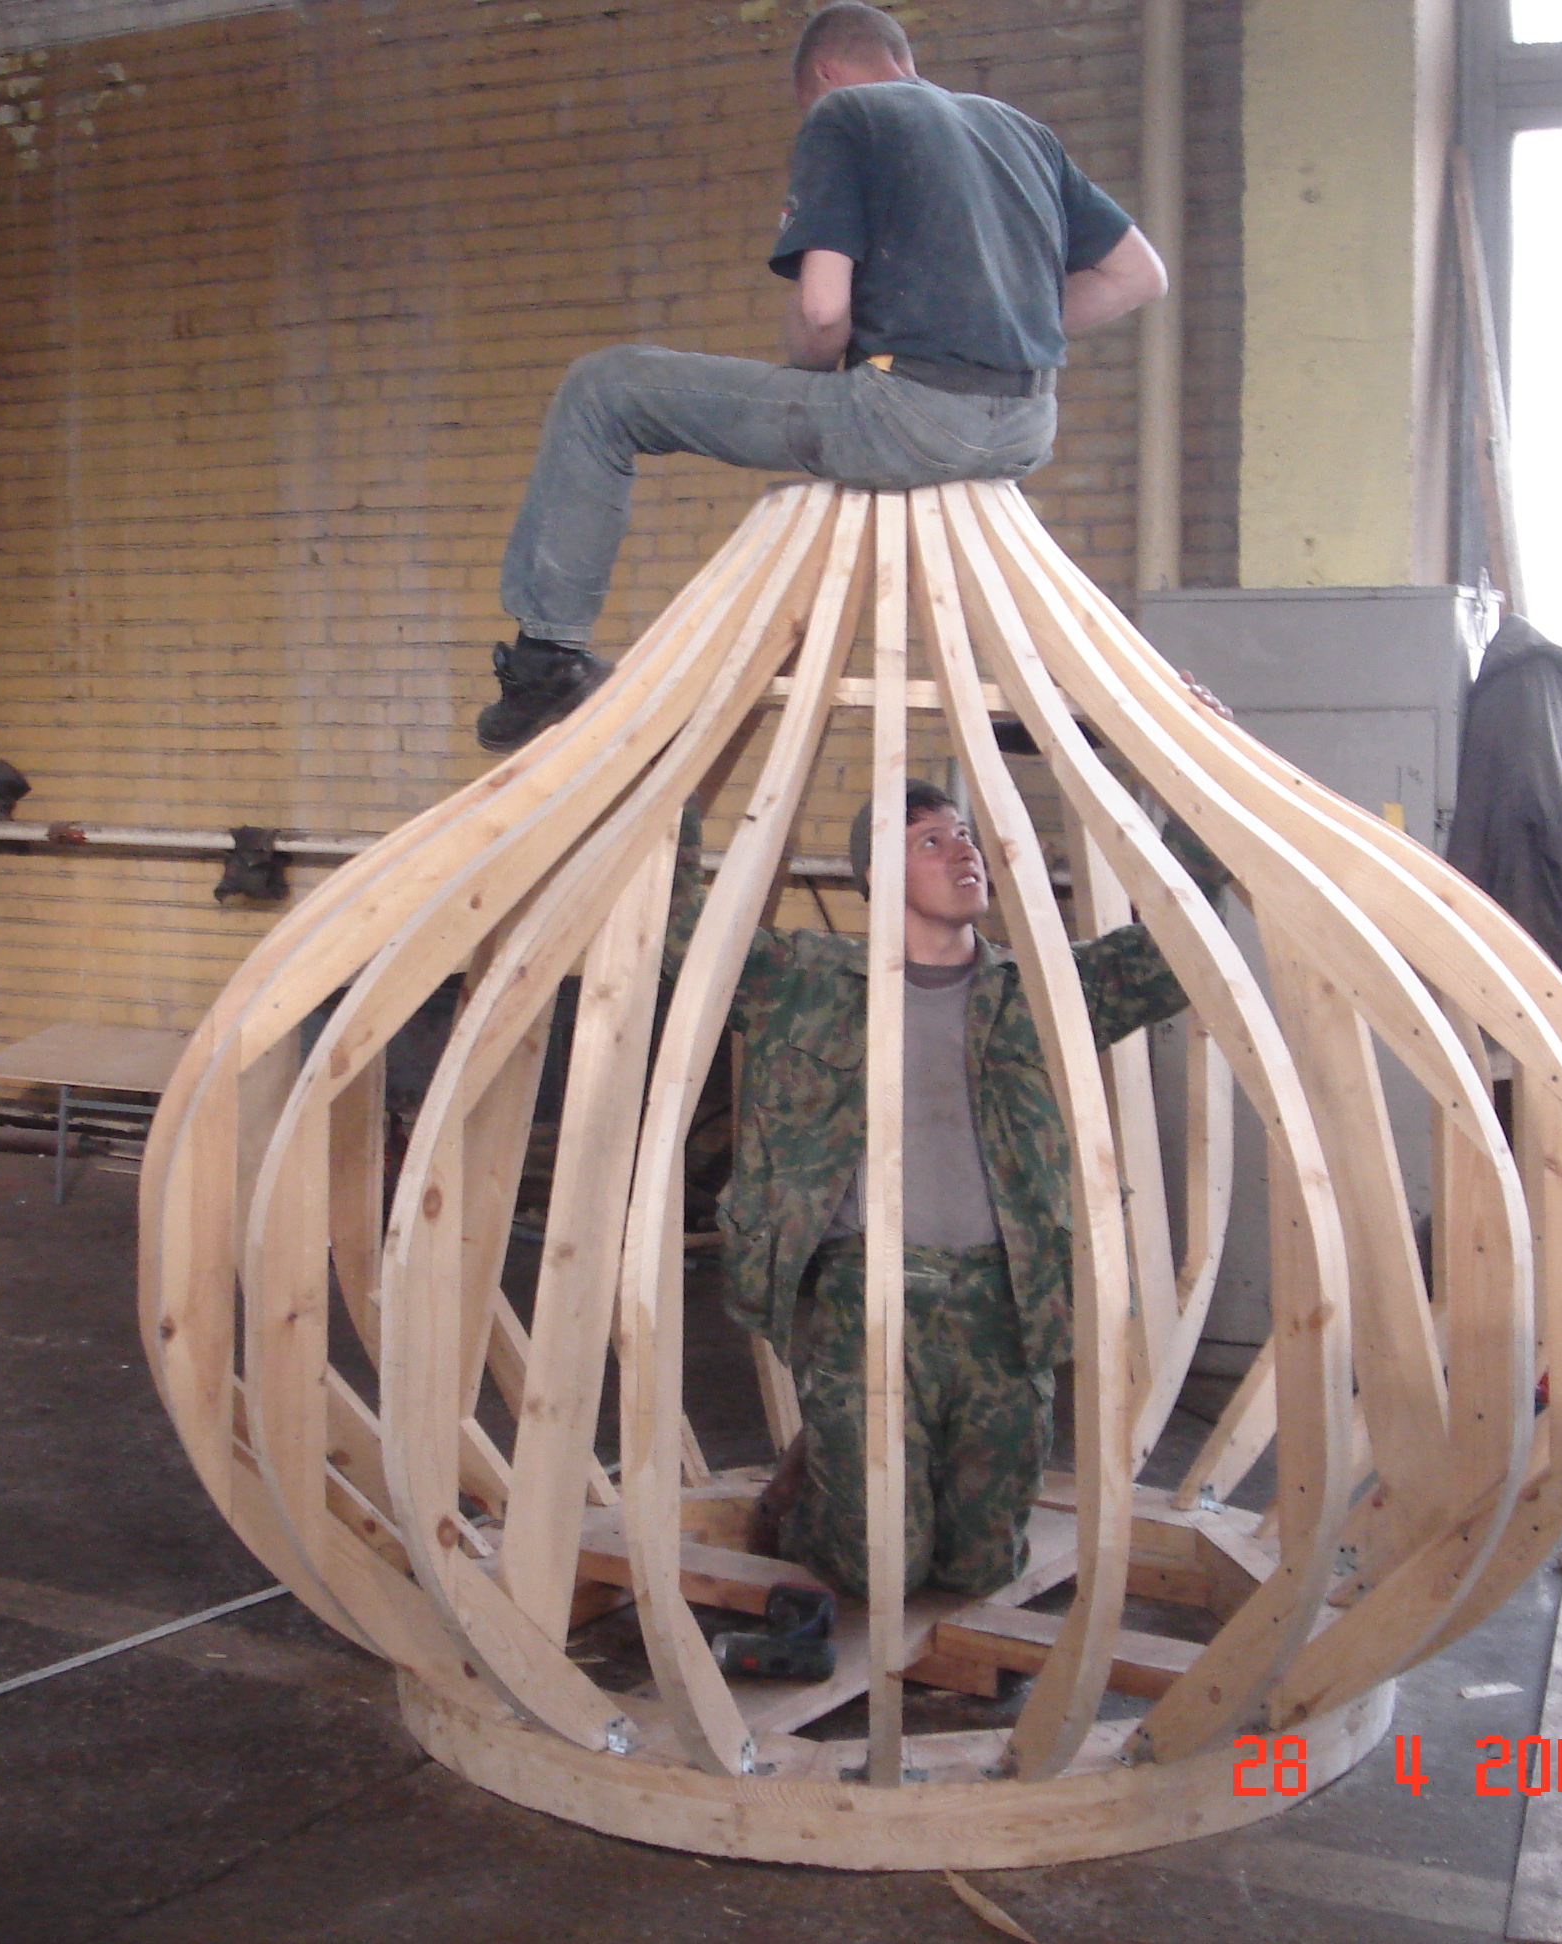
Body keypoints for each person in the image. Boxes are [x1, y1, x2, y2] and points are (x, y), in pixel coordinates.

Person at [477, 2, 1167, 752]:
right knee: (907, 428)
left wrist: (807, 378)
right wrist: (999, 326)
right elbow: (1139, 276)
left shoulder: (846, 115)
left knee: (604, 388)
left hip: (906, 416)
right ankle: (1043, 690)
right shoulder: (1020, 131)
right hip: (1025, 428)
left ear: (825, 75)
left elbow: (822, 310)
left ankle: (546, 660)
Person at [673, 785, 1204, 1601]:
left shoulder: (1043, 989)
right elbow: (680, 936)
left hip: (1004, 1308)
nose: (964, 851)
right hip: (867, 1302)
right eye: (930, 841)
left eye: (965, 835)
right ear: (875, 874)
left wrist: (1194, 806)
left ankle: (836, 1468)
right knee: (878, 1569)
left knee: (980, 1570)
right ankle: (812, 1502)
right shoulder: (803, 979)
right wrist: (673, 793)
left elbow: (1177, 950)